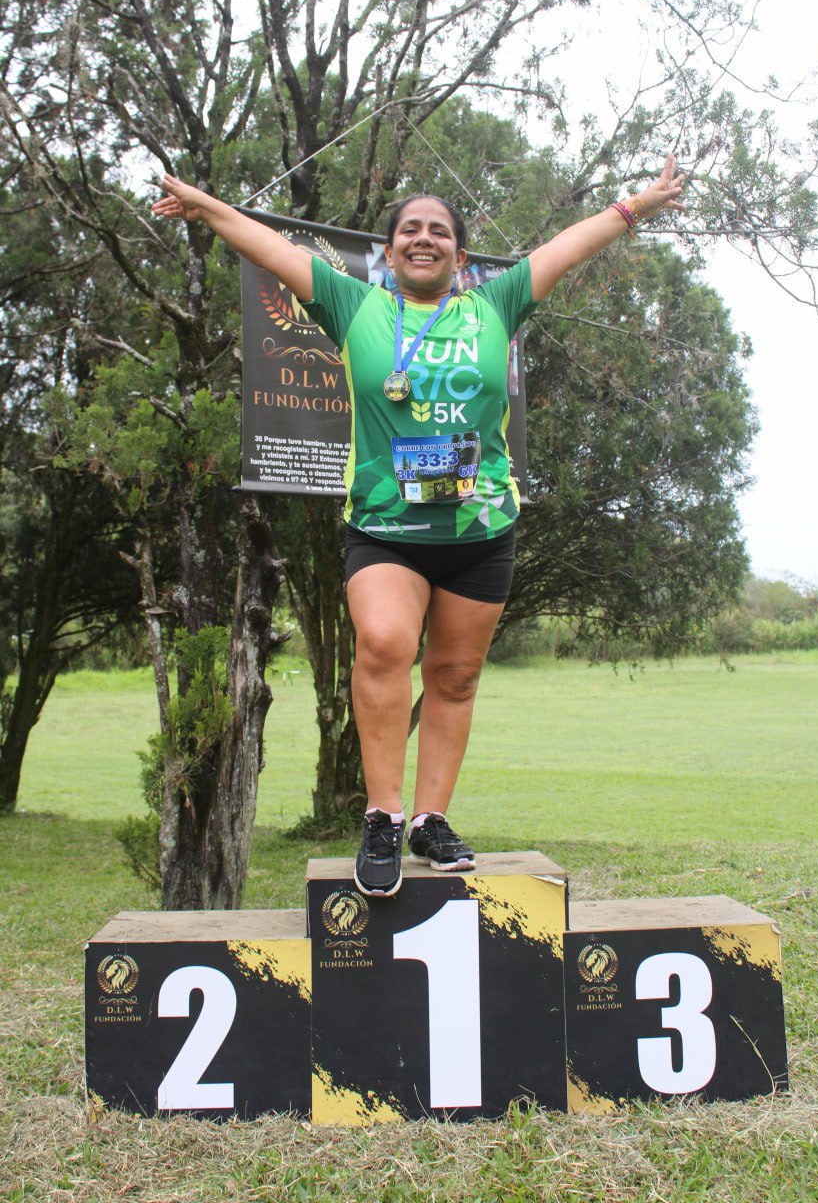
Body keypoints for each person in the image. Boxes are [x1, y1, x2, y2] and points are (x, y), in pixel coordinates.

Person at [153, 156, 685, 897]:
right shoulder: (353, 305)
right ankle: (382, 816)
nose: (423, 238)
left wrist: (641, 205)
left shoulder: (495, 304)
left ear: (459, 255)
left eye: (438, 231)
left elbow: (570, 244)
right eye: (410, 230)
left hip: (480, 531)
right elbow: (268, 244)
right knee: (382, 644)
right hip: (386, 527)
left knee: (454, 677)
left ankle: (432, 820)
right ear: (390, 249)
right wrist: (204, 205)